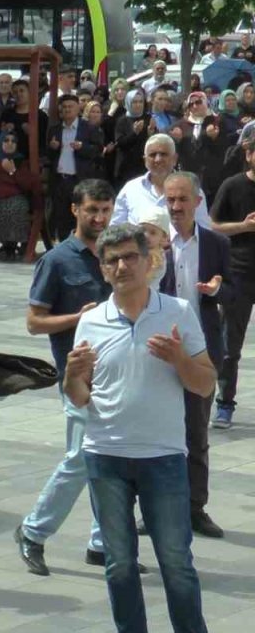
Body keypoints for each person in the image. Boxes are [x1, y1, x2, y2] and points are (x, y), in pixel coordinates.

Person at [65, 223, 212, 633]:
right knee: (120, 565)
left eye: (131, 256)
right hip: (105, 456)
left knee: (176, 562)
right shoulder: (92, 321)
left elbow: (205, 383)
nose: (123, 265)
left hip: (162, 457)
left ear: (149, 262)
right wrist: (71, 375)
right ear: (103, 269)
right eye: (114, 260)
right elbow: (78, 395)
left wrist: (180, 360)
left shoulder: (178, 312)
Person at [14, 179, 119, 577]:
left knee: (106, 459)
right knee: (80, 458)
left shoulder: (115, 255)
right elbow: (33, 322)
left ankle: (100, 542)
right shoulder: (57, 260)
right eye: (92, 209)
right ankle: (32, 530)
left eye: (106, 210)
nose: (99, 217)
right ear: (75, 209)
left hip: (116, 376)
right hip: (76, 378)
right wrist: (79, 318)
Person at [160, 172, 230, 538]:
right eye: (169, 200)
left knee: (196, 433)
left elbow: (230, 289)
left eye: (182, 199)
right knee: (159, 433)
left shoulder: (216, 244)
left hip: (201, 348)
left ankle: (194, 507)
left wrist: (217, 289)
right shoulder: (153, 243)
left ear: (198, 202)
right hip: (159, 350)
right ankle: (156, 508)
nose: (175, 207)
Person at [211, 137, 255, 429]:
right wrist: (244, 226)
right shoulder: (233, 185)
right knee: (230, 345)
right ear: (249, 154)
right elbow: (213, 225)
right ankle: (224, 403)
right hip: (240, 272)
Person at [112, 134, 212, 228]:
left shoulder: (192, 189)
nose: (158, 159)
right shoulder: (130, 189)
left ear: (175, 159)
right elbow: (115, 228)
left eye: (163, 154)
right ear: (145, 160)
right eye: (152, 155)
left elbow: (203, 229)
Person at [46, 94, 106, 243]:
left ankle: (82, 245)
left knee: (80, 215)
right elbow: (47, 154)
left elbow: (98, 150)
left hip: (79, 180)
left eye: (70, 106)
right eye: (64, 107)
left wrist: (82, 147)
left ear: (78, 108)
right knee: (61, 217)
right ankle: (65, 246)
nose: (67, 110)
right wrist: (52, 147)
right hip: (60, 179)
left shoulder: (88, 128)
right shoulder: (55, 129)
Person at [0, 132, 42, 259]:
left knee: (15, 208)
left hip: (14, 197)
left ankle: (10, 246)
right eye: (6, 140)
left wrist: (12, 171)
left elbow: (30, 184)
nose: (9, 143)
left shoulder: (21, 161)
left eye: (13, 141)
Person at [113, 90, 151, 187]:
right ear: (129, 103)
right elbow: (120, 143)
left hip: (143, 165)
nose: (138, 105)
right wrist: (135, 133)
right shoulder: (122, 120)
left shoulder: (148, 118)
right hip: (126, 166)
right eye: (134, 102)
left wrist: (152, 133)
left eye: (140, 102)